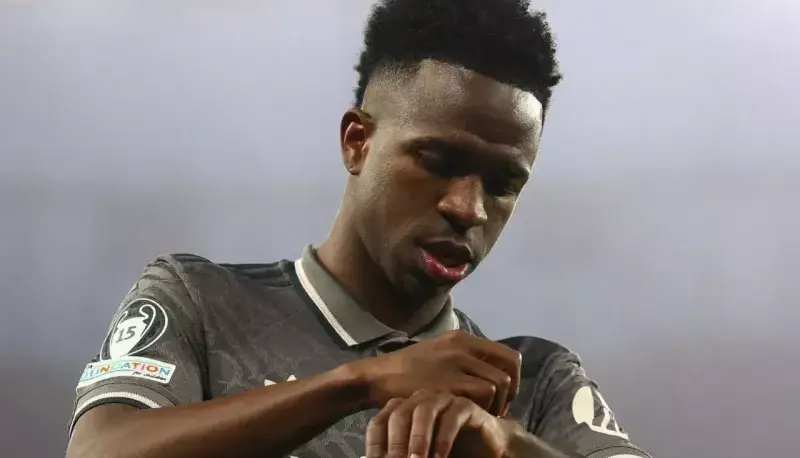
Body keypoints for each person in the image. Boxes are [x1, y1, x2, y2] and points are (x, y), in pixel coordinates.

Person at [66, 0, 653, 457]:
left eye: (503, 183)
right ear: (357, 142)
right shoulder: (200, 302)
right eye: (438, 161)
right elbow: (99, 450)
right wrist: (360, 383)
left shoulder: (536, 383)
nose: (468, 208)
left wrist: (509, 447)